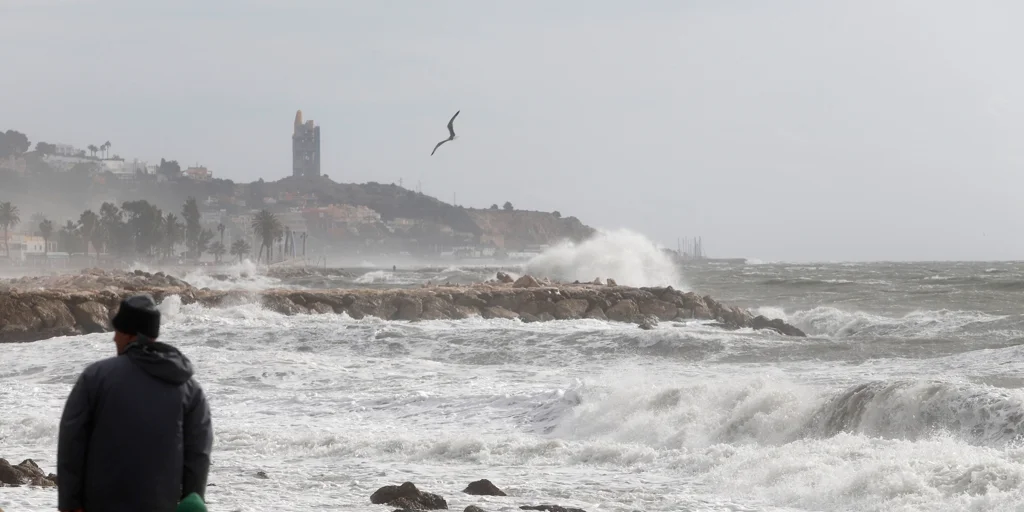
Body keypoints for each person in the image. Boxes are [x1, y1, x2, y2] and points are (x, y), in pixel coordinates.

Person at [57, 294, 213, 512]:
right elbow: (198, 454)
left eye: (117, 332)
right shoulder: (188, 387)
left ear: (129, 335)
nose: (114, 339)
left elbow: (71, 443)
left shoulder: (95, 378)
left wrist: (70, 504)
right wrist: (191, 501)